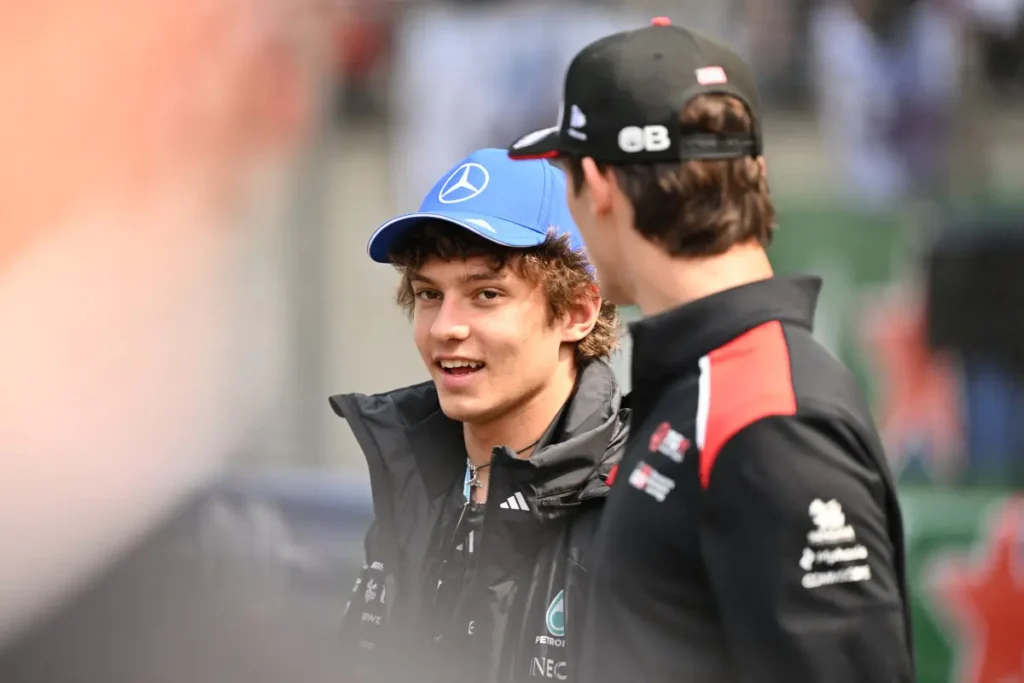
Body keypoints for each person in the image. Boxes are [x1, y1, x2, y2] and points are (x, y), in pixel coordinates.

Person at [508, 18, 914, 683]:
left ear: (599, 183)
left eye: (565, 177)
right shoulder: (708, 386)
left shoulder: (765, 412)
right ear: (752, 171)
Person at [330, 148, 628, 683]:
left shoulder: (640, 505)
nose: (446, 327)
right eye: (429, 293)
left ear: (578, 312)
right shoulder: (412, 478)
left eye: (486, 294)